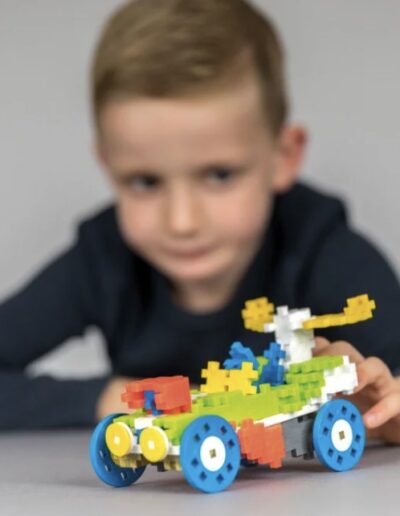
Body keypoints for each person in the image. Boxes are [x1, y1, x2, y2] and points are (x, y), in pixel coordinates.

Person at [0, 0, 399, 442]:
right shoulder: (102, 260)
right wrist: (109, 398)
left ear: (283, 156)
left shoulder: (327, 255)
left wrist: (384, 408)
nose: (182, 221)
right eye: (145, 181)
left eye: (219, 175)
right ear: (108, 164)